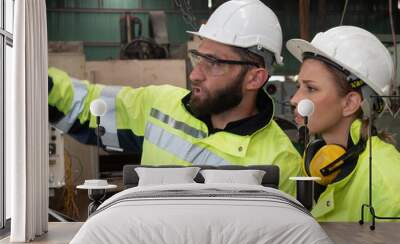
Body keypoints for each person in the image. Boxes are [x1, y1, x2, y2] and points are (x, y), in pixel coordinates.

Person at [48, 0, 301, 196]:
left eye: (213, 63)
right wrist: (38, 80)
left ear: (255, 79)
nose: (195, 74)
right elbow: (84, 106)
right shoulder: (160, 106)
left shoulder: (282, 161)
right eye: (198, 58)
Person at [287, 25, 400, 221]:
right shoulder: (322, 164)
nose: (295, 99)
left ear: (349, 103)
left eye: (311, 89)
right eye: (299, 87)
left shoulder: (386, 184)